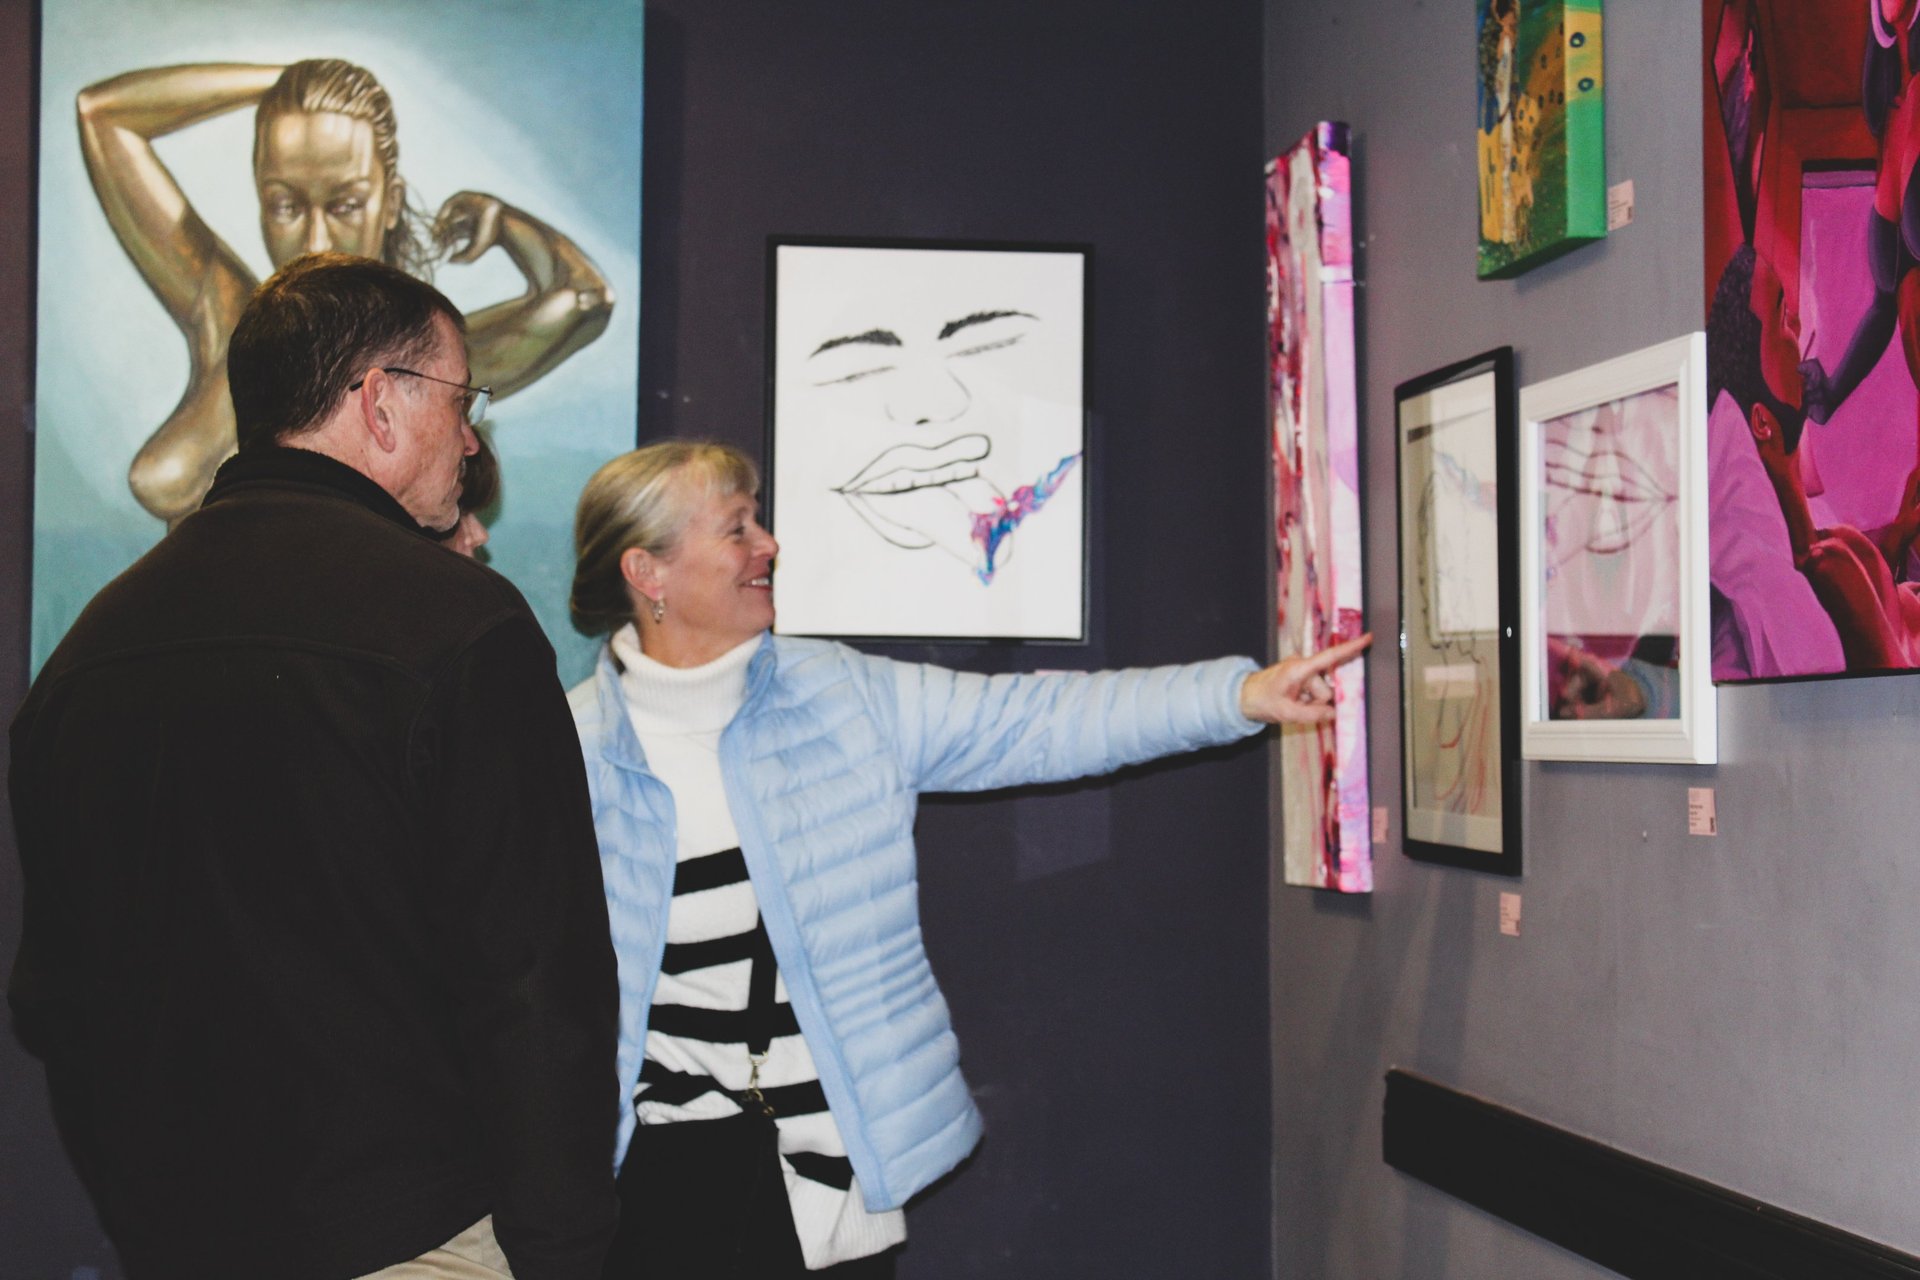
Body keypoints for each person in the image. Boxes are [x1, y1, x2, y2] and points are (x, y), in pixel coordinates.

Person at [565, 440, 1369, 1277]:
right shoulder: (563, 750)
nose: (768, 544)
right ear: (647, 573)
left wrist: (1237, 696)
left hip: (833, 1183)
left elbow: (1037, 722)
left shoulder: (844, 697)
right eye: (737, 529)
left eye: (758, 521)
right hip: (660, 1190)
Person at [8, 252, 619, 1279]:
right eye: (464, 401)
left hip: (178, 1241)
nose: (471, 437)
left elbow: (56, 998)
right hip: (415, 1240)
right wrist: (567, 1253)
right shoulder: (459, 625)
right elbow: (535, 990)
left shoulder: (89, 650)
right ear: (380, 403)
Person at [77, 56, 614, 522]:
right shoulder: (225, 315)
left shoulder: (429, 363)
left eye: (345, 205)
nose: (314, 239)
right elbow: (104, 114)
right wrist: (282, 78)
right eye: (285, 204)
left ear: (391, 202)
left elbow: (585, 299)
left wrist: (510, 225)